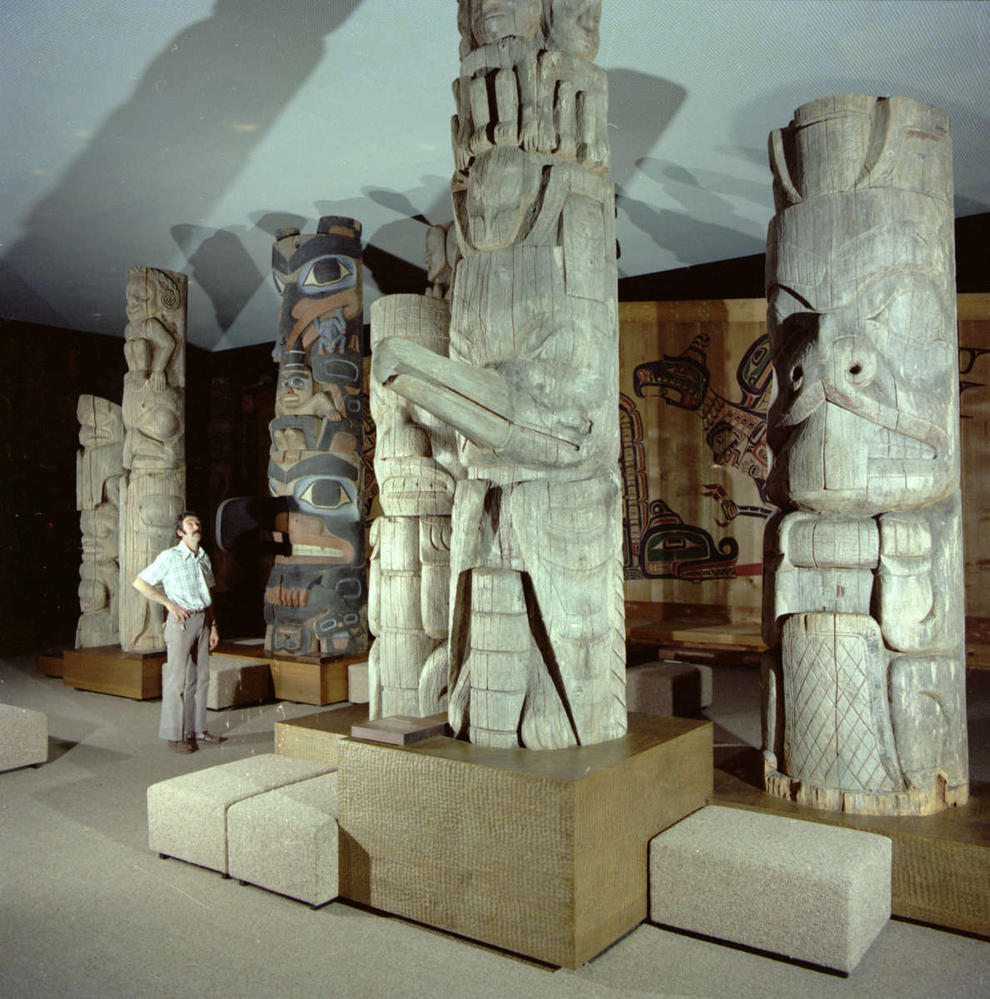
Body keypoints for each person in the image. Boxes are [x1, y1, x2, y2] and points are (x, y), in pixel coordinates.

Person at [132, 511, 223, 753]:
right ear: (180, 532)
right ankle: (175, 735)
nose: (196, 526)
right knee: (177, 681)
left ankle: (197, 730)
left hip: (203, 620)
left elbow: (208, 594)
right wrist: (168, 604)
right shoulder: (169, 557)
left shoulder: (203, 557)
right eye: (190, 524)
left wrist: (213, 625)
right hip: (181, 623)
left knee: (200, 679)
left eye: (198, 522)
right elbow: (140, 583)